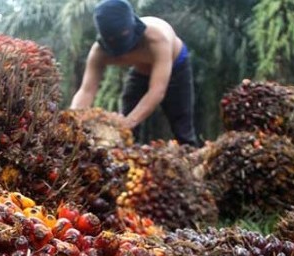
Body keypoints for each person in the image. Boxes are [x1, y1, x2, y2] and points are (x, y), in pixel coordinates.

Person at [70, 0, 201, 147]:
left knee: (182, 127)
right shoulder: (99, 51)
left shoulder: (157, 39)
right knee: (127, 128)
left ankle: (191, 157)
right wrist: (72, 120)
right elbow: (86, 91)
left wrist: (126, 124)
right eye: (112, 41)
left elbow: (157, 91)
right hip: (141, 71)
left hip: (176, 68)